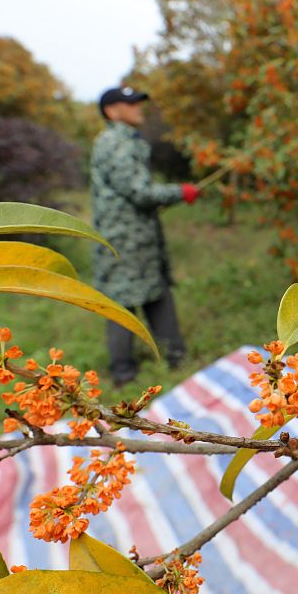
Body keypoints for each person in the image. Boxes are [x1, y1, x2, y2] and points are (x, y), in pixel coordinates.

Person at [91, 86, 200, 382]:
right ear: (112, 111)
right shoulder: (116, 142)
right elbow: (138, 191)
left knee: (156, 292)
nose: (139, 107)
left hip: (137, 237)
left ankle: (175, 357)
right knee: (122, 302)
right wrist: (181, 191)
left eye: (139, 102)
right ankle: (124, 373)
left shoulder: (126, 140)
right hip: (123, 241)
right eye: (131, 103)